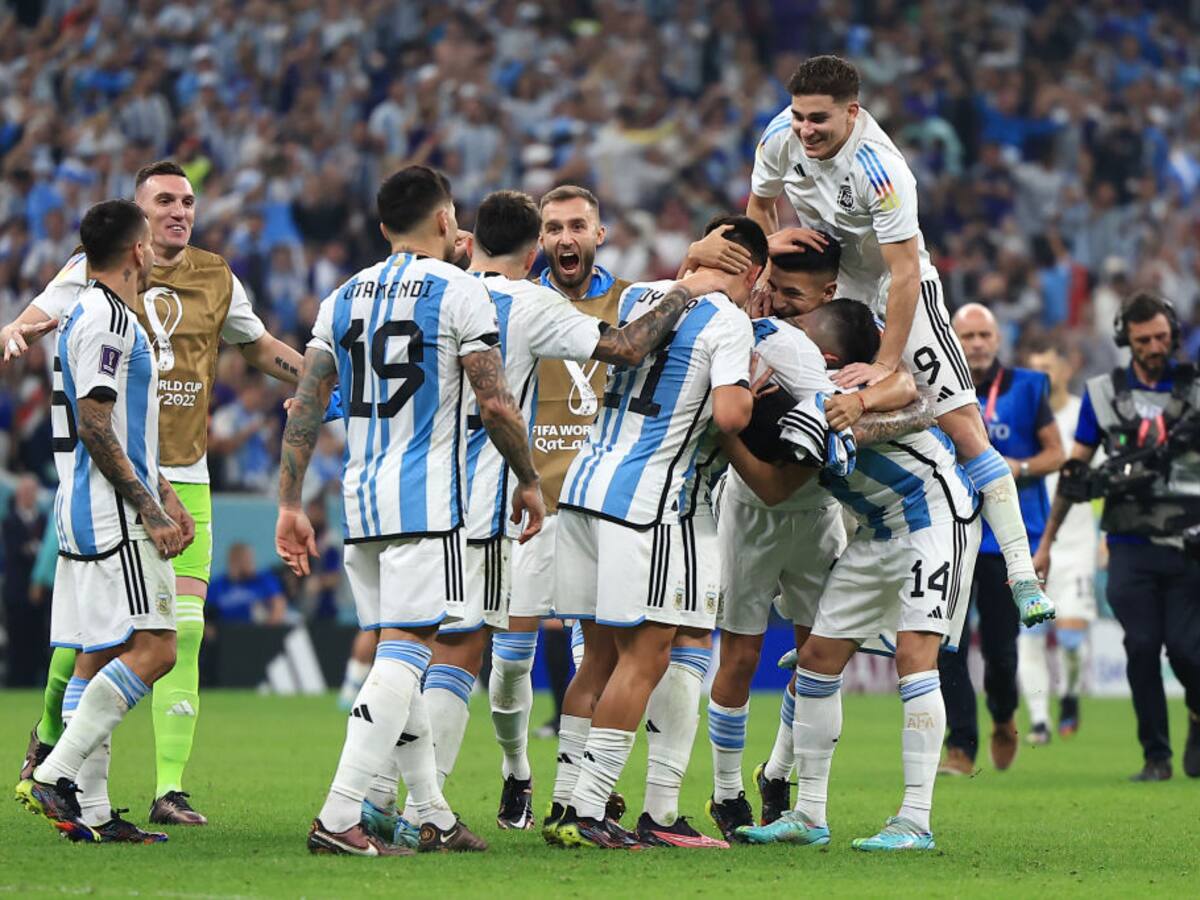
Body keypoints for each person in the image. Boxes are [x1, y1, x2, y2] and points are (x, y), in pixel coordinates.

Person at [359, 188, 712, 839]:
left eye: (578, 224)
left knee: (595, 654)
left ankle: (578, 797)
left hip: (597, 508)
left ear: (600, 231)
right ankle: (517, 770)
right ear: (539, 240)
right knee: (507, 659)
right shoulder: (496, 300)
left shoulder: (632, 300)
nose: (566, 235)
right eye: (553, 227)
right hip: (523, 506)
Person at [7, 160, 309, 826]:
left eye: (189, 201)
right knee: (107, 638)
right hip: (119, 476)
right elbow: (36, 321)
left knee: (183, 631)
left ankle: (165, 787)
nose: (179, 211)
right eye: (165, 201)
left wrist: (319, 375)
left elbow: (257, 346)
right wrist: (14, 330)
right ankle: (54, 748)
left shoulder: (215, 275)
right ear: (138, 222)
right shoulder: (97, 276)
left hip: (183, 475)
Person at [275, 166, 544, 856]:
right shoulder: (460, 292)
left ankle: (431, 811)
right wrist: (528, 478)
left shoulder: (341, 297)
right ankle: (339, 816)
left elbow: (305, 404)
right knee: (406, 656)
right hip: (429, 503)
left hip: (360, 502)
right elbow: (494, 402)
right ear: (447, 221)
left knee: (402, 657)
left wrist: (288, 503)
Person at [743, 54, 1052, 627]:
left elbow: (905, 271)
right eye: (799, 116)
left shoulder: (881, 170)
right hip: (833, 291)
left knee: (963, 427)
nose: (806, 130)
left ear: (852, 113)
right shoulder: (780, 138)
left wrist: (887, 363)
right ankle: (820, 612)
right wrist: (770, 267)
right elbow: (760, 205)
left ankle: (1021, 571)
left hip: (894, 287)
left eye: (819, 120)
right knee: (808, 417)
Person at [725, 297, 981, 852]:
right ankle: (809, 813)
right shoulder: (815, 394)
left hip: (933, 518)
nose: (792, 333)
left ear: (828, 354)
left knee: (916, 657)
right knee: (818, 659)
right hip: (873, 531)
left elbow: (912, 390)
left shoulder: (843, 392)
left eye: (804, 330)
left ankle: (915, 819)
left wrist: (861, 403)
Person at [543, 214, 759, 850]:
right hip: (647, 505)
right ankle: (590, 813)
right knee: (645, 656)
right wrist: (752, 386)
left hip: (582, 490)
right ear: (754, 272)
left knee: (600, 656)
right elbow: (729, 412)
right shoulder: (729, 321)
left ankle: (563, 806)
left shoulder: (641, 297)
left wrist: (692, 257)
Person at [705, 238, 920, 840]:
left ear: (828, 295)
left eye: (791, 295)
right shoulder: (748, 328)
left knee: (816, 656)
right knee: (741, 657)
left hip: (818, 510)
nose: (774, 299)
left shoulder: (855, 338)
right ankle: (726, 795)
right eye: (769, 283)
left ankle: (779, 773)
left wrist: (865, 396)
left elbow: (907, 386)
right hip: (747, 513)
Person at [16, 198, 191, 845]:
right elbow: (94, 425)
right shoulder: (109, 318)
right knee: (156, 648)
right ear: (136, 250)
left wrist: (164, 490)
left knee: (99, 655)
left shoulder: (88, 313)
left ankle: (89, 812)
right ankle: (56, 773)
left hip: (92, 508)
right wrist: (149, 508)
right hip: (113, 516)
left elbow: (118, 428)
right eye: (148, 239)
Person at [1035, 293, 1200, 782]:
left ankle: (1196, 711)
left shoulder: (1196, 389)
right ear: (1124, 338)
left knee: (1188, 652)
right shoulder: (1103, 393)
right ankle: (1156, 757)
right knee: (1142, 647)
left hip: (1191, 545)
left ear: (1172, 332)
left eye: (1162, 337)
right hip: (1129, 545)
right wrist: (1046, 543)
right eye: (1144, 338)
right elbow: (1074, 471)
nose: (1154, 346)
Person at [938, 304, 1064, 775]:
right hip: (952, 530)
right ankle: (961, 746)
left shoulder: (1029, 387)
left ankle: (1005, 713)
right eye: (966, 335)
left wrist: (1020, 468)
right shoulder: (936, 385)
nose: (975, 343)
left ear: (997, 339)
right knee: (945, 643)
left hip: (1008, 540)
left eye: (983, 335)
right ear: (952, 337)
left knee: (1001, 651)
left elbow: (1058, 453)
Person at [1022, 339, 1101, 741]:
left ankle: (1069, 694)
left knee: (1070, 638)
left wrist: (1104, 536)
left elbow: (1103, 480)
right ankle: (1039, 719)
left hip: (1077, 545)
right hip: (1031, 542)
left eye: (1048, 366)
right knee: (1031, 633)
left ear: (1066, 370)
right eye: (1035, 367)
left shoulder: (1081, 418)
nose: (1042, 375)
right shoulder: (1026, 422)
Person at [2, 475, 49, 686]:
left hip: (40, 590)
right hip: (17, 590)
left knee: (38, 635)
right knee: (18, 635)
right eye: (26, 491)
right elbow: (17, 552)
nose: (29, 496)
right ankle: (16, 679)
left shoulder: (44, 519)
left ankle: (35, 678)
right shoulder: (9, 521)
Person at [207, 543, 289, 625]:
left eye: (250, 559)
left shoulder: (264, 580)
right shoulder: (217, 586)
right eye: (246, 559)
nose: (251, 563)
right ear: (233, 561)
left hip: (257, 631)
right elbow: (206, 612)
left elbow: (278, 603)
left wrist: (270, 628)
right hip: (226, 632)